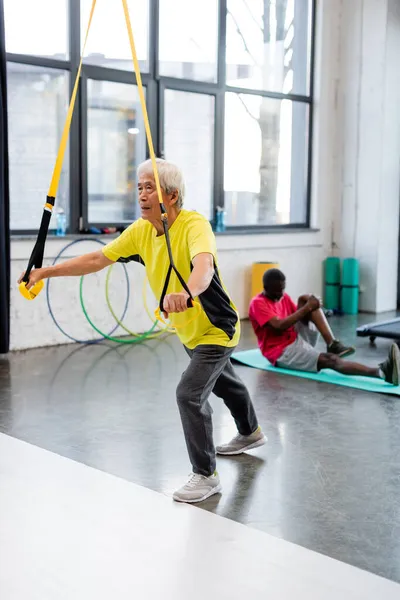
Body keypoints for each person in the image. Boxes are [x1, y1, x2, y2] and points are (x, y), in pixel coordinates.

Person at [19, 158, 266, 503]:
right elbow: (96, 260)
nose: (142, 194)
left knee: (189, 394)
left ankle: (205, 475)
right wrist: (45, 273)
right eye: (139, 187)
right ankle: (251, 432)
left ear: (173, 195)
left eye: (150, 187)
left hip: (216, 328)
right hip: (189, 332)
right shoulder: (140, 232)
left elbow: (204, 267)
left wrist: (188, 292)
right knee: (225, 383)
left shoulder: (195, 225)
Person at [249, 268, 400, 384]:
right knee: (331, 360)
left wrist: (314, 308)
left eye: (282, 289)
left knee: (306, 298)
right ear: (265, 288)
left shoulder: (283, 296)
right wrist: (308, 308)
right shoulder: (258, 303)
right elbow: (279, 325)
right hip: (281, 351)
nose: (280, 295)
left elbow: (299, 314)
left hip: (295, 337)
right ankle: (382, 373)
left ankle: (332, 343)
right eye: (276, 292)